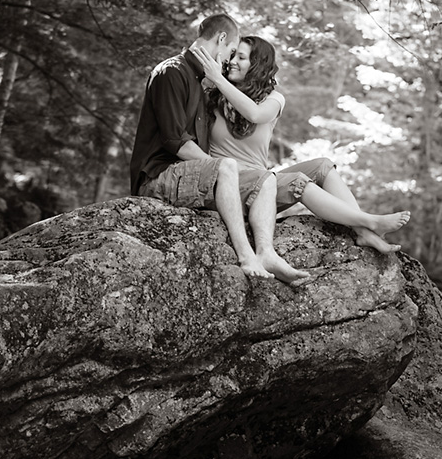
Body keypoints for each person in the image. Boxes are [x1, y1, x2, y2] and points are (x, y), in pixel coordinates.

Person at [130, 15, 309, 285]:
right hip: (158, 175)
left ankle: (266, 252)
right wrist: (222, 169)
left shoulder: (202, 82)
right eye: (231, 52)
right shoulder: (172, 72)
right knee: (226, 165)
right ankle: (245, 255)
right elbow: (175, 141)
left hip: (189, 176)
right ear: (221, 39)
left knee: (266, 178)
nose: (229, 60)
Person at [193, 35, 410, 254]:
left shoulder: (273, 99)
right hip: (231, 188)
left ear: (256, 65)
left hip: (263, 188)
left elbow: (254, 114)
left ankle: (363, 232)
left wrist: (219, 81)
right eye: (232, 56)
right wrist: (217, 81)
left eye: (241, 57)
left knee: (323, 165)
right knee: (297, 181)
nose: (232, 62)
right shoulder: (213, 97)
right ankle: (369, 221)